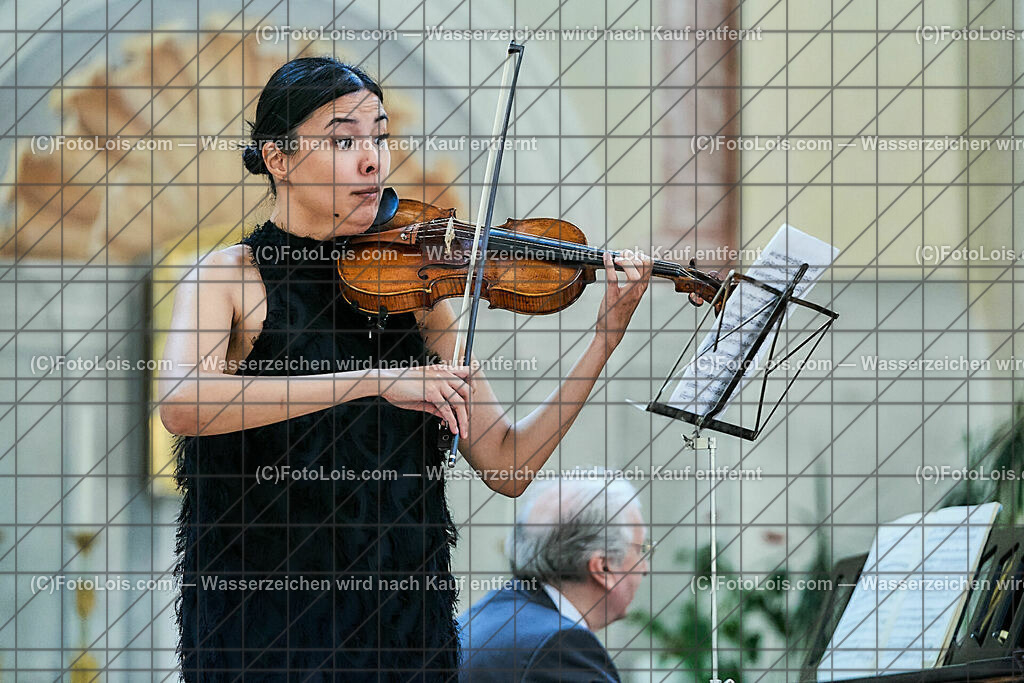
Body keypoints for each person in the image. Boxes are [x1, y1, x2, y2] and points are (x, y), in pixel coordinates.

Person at [159, 56, 672, 681]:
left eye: (379, 137)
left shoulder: (416, 286)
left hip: (404, 632)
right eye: (343, 141)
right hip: (270, 632)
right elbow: (184, 403)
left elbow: (508, 463)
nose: (372, 161)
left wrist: (603, 340)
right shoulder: (226, 276)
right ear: (278, 158)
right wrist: (376, 381)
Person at [457, 473, 650, 682]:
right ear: (603, 567)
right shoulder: (560, 647)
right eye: (641, 551)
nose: (645, 568)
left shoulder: (479, 620)